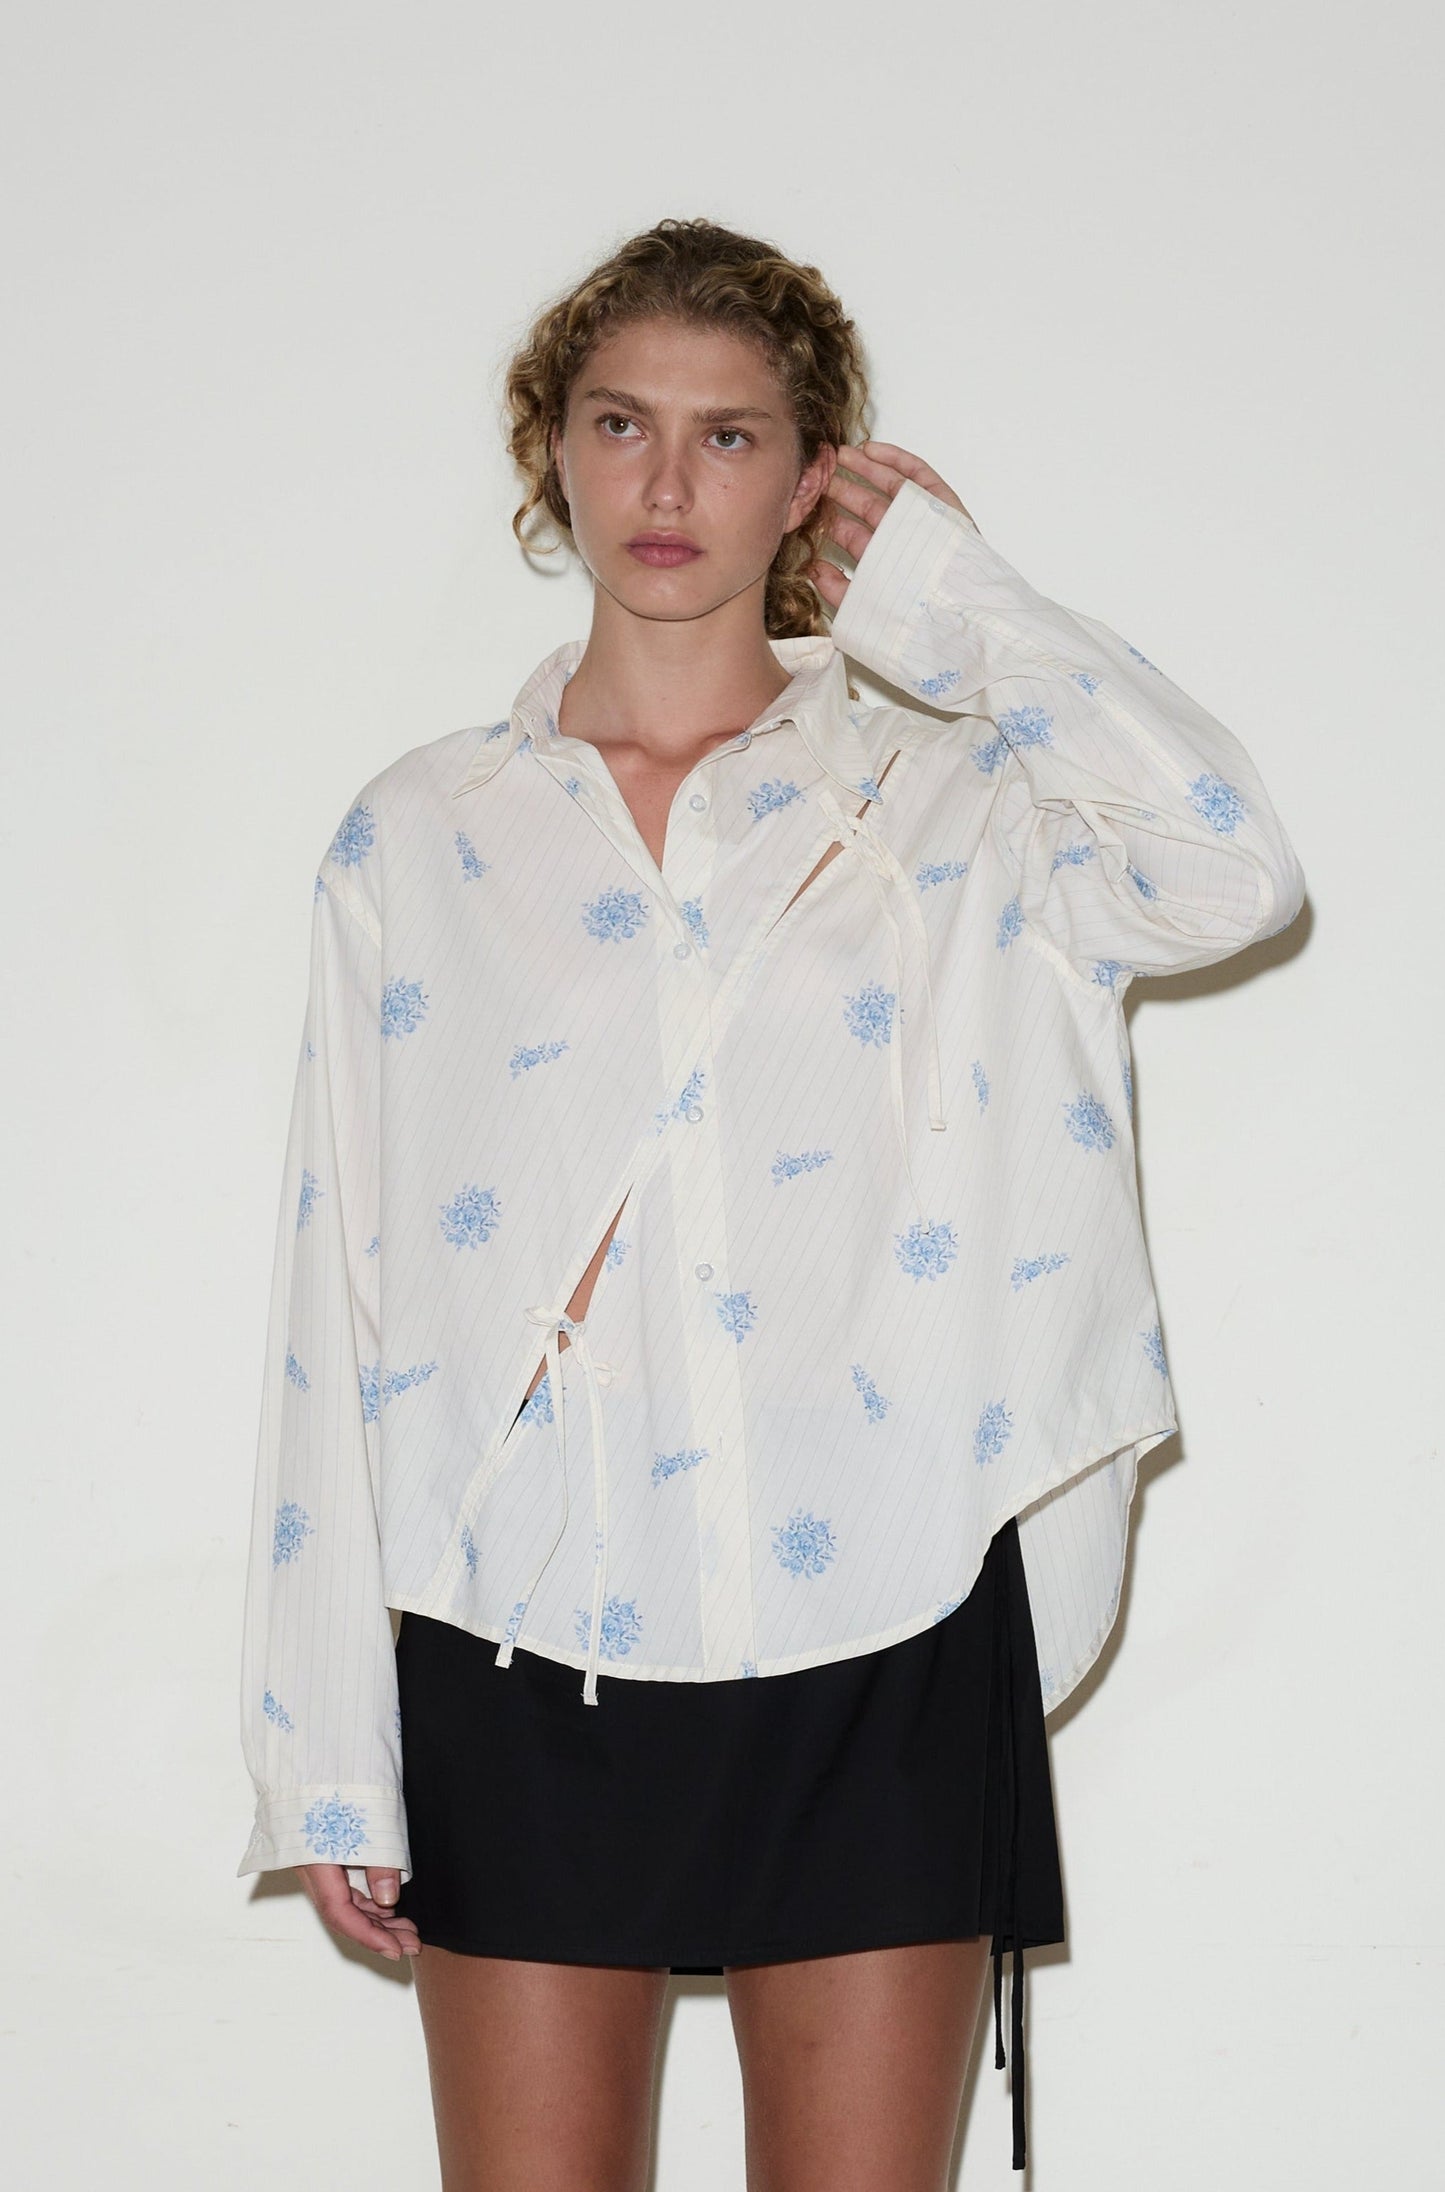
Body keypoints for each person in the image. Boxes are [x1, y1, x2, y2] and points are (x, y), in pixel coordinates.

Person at [235, 215, 1307, 2190]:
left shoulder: (953, 803)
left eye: (728, 436)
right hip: (518, 1634)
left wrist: (963, 606)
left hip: (885, 1616)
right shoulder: (422, 833)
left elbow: (1229, 870)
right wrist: (324, 1741)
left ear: (813, 479)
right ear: (550, 450)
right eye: (619, 422)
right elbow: (341, 1282)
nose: (665, 482)